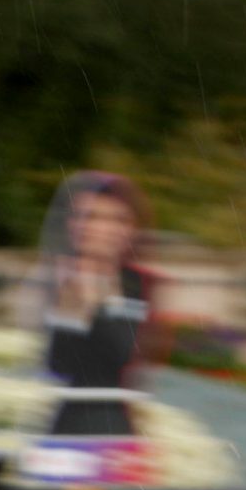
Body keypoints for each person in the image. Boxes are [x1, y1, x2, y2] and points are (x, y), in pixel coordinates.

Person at [35, 171, 161, 440]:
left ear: (131, 229)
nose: (102, 229)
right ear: (72, 225)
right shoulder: (57, 281)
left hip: (121, 431)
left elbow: (132, 358)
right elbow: (59, 363)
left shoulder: (140, 284)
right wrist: (79, 290)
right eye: (91, 217)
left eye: (117, 220)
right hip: (69, 430)